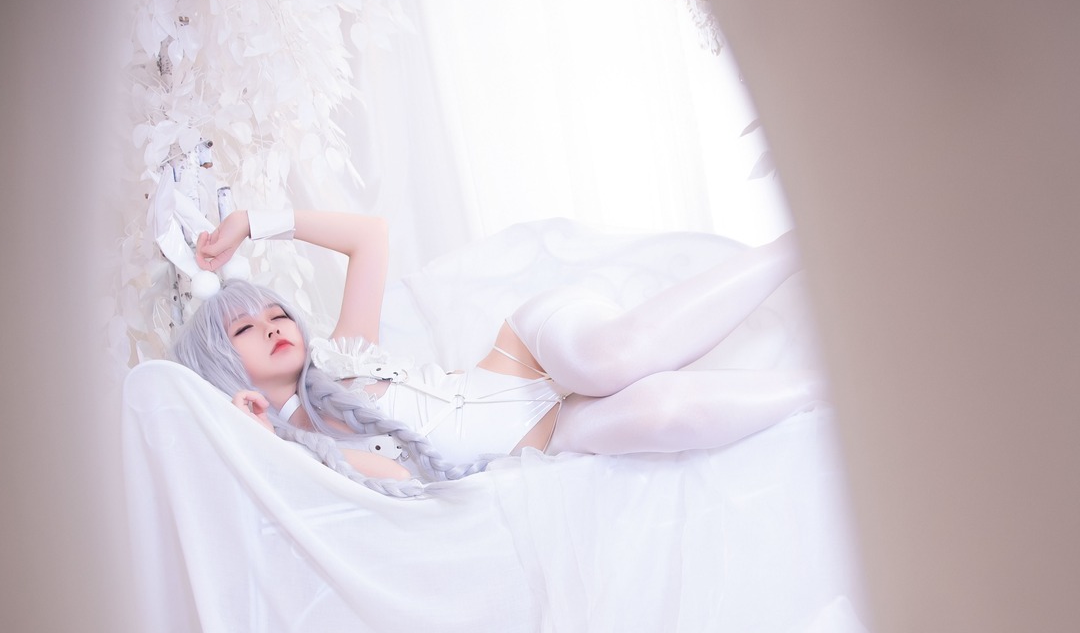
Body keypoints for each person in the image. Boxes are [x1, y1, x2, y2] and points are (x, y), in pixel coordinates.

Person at [175, 207, 820, 493]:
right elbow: (399, 482)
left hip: (528, 355)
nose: (272, 326)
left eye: (276, 312)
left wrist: (254, 223)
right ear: (224, 369)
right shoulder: (300, 461)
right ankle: (837, 384)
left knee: (608, 362)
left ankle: (807, 241)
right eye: (244, 329)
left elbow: (370, 235)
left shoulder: (344, 355)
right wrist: (269, 438)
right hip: (542, 443)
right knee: (663, 416)